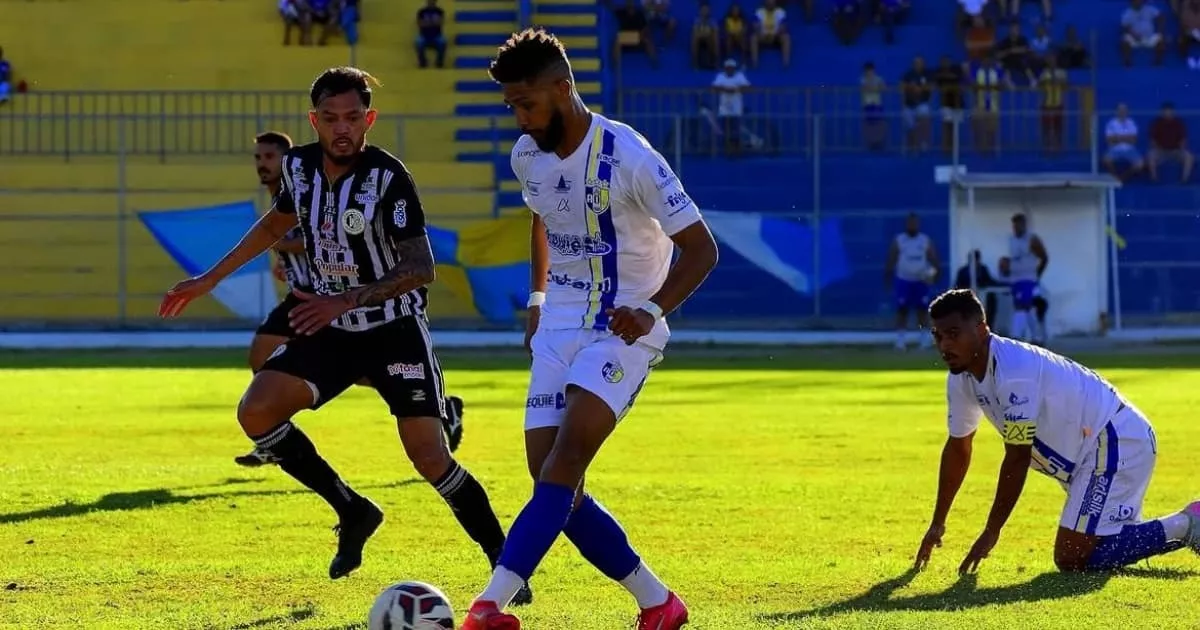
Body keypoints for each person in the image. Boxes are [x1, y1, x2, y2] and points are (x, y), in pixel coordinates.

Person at [158, 68, 533, 606]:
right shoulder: (298, 168)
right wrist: (209, 278)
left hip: (394, 330)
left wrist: (346, 298)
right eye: (331, 118)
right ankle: (352, 509)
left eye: (353, 117)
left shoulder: (389, 177)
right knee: (256, 411)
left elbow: (421, 267)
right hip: (332, 327)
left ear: (369, 119)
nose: (342, 128)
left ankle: (506, 567)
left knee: (430, 458)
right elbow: (274, 225)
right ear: (314, 121)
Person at [460, 28, 719, 630]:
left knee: (564, 462)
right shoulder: (527, 155)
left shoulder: (631, 157)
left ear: (563, 88)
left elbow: (702, 250)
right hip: (558, 324)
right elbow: (542, 218)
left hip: (623, 329)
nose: (520, 119)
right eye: (511, 106)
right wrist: (538, 297)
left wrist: (651, 309)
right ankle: (659, 603)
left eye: (526, 104)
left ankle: (488, 606)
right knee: (553, 482)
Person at [914, 289, 1200, 574]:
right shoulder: (961, 378)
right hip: (1093, 453)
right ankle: (1174, 527)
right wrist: (938, 523)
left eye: (954, 334)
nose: (944, 345)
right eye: (938, 336)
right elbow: (959, 448)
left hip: (1115, 440)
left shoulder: (1013, 370)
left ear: (981, 328)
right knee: (1086, 552)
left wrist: (992, 531)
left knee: (1071, 556)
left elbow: (1017, 457)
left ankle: (1188, 524)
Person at [233, 131, 465, 469]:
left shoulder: (310, 183)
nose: (262, 164)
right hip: (303, 294)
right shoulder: (283, 194)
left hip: (323, 297)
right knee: (298, 361)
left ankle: (272, 434)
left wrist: (279, 245)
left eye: (269, 157)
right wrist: (283, 262)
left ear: (286, 160)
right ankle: (272, 434)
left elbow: (323, 238)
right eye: (258, 158)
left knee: (272, 352)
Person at [886, 213, 940, 351]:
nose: (912, 226)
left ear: (918, 224)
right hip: (903, 279)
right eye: (910, 223)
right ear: (906, 224)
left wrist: (935, 274)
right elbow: (892, 258)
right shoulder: (899, 240)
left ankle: (924, 339)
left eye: (914, 223)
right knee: (902, 309)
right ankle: (900, 341)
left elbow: (933, 258)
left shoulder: (924, 240)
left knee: (922, 310)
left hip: (920, 280)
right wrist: (888, 276)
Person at [1006, 213, 1048, 344]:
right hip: (1016, 280)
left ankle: (1016, 337)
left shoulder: (1032, 239)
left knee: (1022, 306)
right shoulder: (1012, 239)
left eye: (1018, 225)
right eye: (1014, 225)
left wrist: (1036, 274)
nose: (1015, 228)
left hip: (1027, 279)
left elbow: (1044, 257)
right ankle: (1037, 338)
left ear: (1024, 225)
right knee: (1028, 308)